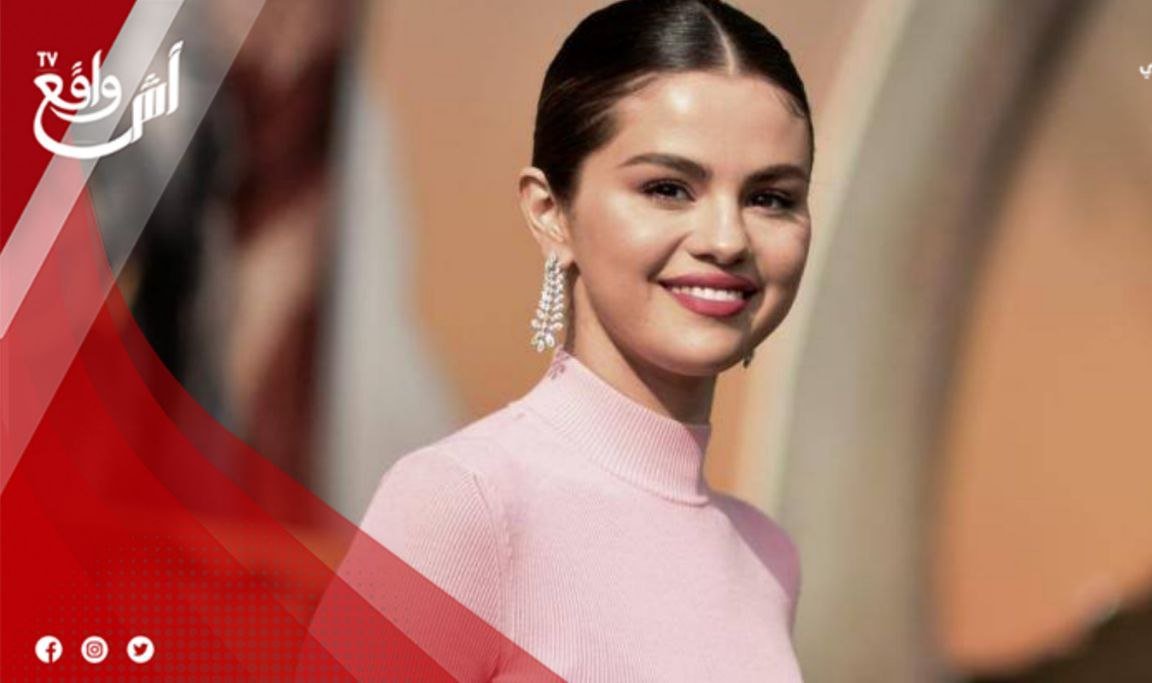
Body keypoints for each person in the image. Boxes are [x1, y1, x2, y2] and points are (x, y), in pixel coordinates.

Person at [311, 1, 815, 679]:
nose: (727, 240)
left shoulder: (768, 558)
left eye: (770, 198)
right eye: (668, 188)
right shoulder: (464, 503)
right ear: (550, 213)